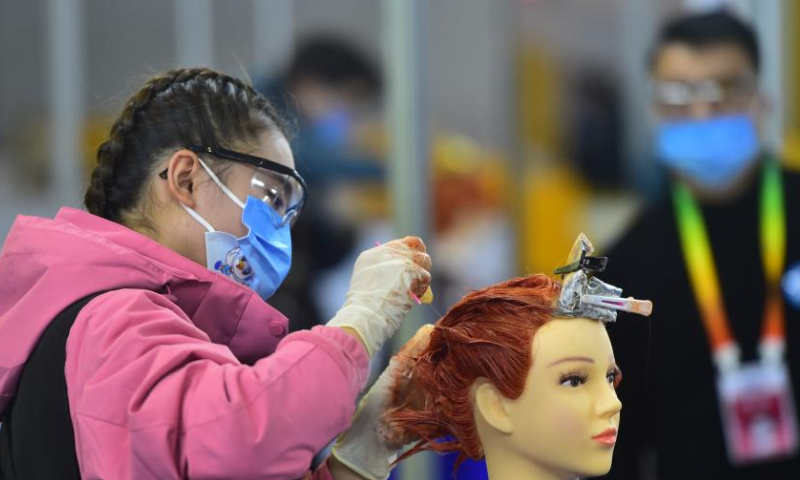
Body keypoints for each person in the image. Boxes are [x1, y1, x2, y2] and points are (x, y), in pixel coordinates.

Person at [0, 67, 431, 480]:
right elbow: (241, 439)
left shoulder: (156, 326)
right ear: (186, 179)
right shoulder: (114, 317)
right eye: (271, 195)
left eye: (289, 210)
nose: (281, 228)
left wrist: (363, 452)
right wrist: (362, 319)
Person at [603, 11, 800, 479]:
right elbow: (615, 441)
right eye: (677, 96)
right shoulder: (629, 264)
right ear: (653, 111)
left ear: (761, 100)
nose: (701, 112)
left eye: (723, 90)